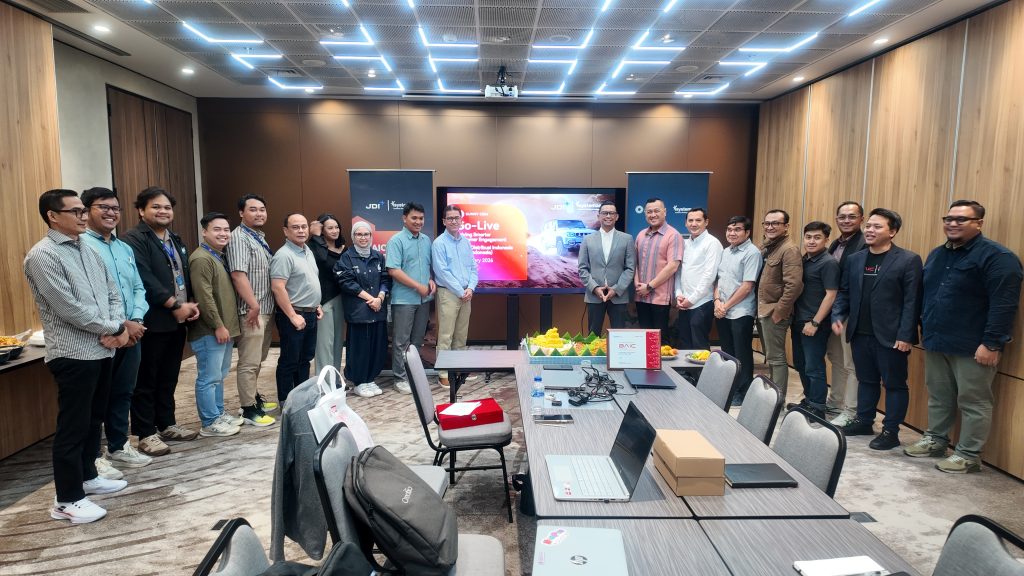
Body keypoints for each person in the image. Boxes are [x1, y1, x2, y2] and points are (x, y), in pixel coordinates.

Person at [25, 189, 129, 524]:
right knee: (72, 426)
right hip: (72, 354)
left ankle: (88, 477)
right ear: (53, 216)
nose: (83, 216)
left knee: (94, 419)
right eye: (76, 211)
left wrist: (116, 326)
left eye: (83, 210)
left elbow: (112, 292)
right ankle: (67, 499)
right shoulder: (42, 255)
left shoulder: (88, 247)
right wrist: (115, 327)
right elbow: (69, 308)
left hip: (102, 349)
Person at [906, 200, 1023, 473]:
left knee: (974, 401)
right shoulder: (937, 254)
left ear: (978, 223)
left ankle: (969, 455)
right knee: (939, 396)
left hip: (973, 345)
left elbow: (1004, 305)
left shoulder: (998, 257)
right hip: (936, 340)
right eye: (948, 219)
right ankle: (936, 440)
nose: (952, 224)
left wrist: (992, 343)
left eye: (961, 219)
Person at [831, 208, 921, 451]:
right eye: (869, 226)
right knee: (866, 380)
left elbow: (912, 301)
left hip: (892, 337)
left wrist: (906, 335)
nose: (870, 230)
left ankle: (891, 431)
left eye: (877, 226)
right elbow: (845, 292)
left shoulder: (908, 260)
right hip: (860, 333)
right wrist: (838, 315)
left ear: (892, 232)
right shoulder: (855, 259)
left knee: (894, 384)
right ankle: (864, 421)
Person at [123, 187, 200, 457]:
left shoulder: (173, 238)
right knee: (147, 378)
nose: (163, 211)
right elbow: (144, 278)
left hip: (177, 321)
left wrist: (190, 304)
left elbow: (182, 275)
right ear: (141, 210)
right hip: (152, 321)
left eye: (167, 207)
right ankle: (146, 433)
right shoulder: (134, 239)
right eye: (156, 207)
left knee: (169, 376)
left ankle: (166, 424)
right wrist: (175, 305)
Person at [80, 188, 152, 477]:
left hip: (131, 333)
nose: (111, 213)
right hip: (101, 336)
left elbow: (138, 287)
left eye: (115, 208)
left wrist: (135, 319)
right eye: (103, 207)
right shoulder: (81, 246)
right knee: (96, 399)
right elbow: (88, 296)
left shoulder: (124, 248)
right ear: (86, 211)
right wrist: (120, 326)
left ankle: (118, 446)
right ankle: (93, 457)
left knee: (123, 392)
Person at [188, 213, 244, 437]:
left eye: (226, 229)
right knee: (208, 378)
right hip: (210, 331)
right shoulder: (201, 258)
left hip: (223, 329)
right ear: (204, 232)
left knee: (218, 375)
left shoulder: (218, 256)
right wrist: (218, 325)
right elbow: (204, 297)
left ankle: (218, 413)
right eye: (217, 229)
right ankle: (209, 422)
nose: (223, 234)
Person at [227, 194, 277, 427]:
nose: (259, 213)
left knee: (258, 359)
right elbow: (238, 275)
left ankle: (253, 398)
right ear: (241, 213)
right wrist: (253, 305)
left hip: (265, 308)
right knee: (249, 362)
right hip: (251, 311)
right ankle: (248, 410)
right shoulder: (239, 238)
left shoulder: (257, 237)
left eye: (262, 209)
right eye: (253, 209)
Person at [789, 221, 840, 419]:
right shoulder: (804, 259)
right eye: (808, 237)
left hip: (814, 324)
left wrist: (815, 322)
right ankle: (809, 400)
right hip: (798, 321)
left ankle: (818, 407)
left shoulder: (828, 263)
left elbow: (831, 295)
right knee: (800, 364)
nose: (811, 241)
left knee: (814, 366)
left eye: (817, 237)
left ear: (826, 239)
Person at [271, 213, 323, 403]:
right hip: (293, 315)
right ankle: (286, 403)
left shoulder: (306, 250)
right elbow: (278, 287)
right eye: (295, 227)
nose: (301, 230)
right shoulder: (284, 255)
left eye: (304, 226)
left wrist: (316, 304)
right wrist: (293, 316)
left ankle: (301, 400)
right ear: (286, 231)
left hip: (310, 313)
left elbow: (307, 280)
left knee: (305, 359)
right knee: (290, 361)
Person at [336, 221, 392, 397]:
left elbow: (385, 279)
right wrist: (371, 299)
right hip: (359, 312)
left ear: (371, 236)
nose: (363, 238)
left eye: (366, 234)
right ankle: (359, 381)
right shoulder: (347, 257)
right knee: (360, 349)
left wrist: (380, 298)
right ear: (353, 237)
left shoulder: (378, 256)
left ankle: (370, 379)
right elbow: (347, 282)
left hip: (377, 310)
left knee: (377, 347)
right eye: (359, 234)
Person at [386, 202, 435, 394]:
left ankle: (413, 374)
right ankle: (400, 378)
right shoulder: (396, 241)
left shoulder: (426, 240)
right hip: (404, 300)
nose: (418, 221)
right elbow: (394, 270)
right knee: (401, 341)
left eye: (421, 218)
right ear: (404, 218)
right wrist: (417, 286)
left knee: (417, 341)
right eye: (414, 218)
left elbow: (425, 268)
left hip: (423, 300)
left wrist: (430, 281)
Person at [714, 216, 762, 406]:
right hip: (722, 310)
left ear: (747, 232)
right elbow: (718, 280)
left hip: (741, 311)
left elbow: (747, 286)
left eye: (737, 229)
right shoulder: (726, 251)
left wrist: (725, 306)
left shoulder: (752, 253)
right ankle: (730, 387)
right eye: (729, 229)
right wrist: (717, 301)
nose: (732, 233)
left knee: (742, 353)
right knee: (728, 352)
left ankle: (743, 391)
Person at [826, 201, 866, 426]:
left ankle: (851, 411)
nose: (846, 220)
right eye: (842, 217)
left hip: (850, 312)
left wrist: (840, 313)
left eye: (852, 216)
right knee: (837, 359)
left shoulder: (863, 244)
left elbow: (851, 285)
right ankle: (835, 402)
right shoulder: (836, 243)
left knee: (851, 364)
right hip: (834, 313)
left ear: (861, 219)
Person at [757, 209, 803, 397]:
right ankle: (771, 395)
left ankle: (777, 400)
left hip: (774, 311)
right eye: (767, 223)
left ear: (786, 226)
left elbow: (794, 285)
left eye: (775, 223)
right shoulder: (768, 247)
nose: (770, 227)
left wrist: (779, 312)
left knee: (776, 358)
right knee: (771, 357)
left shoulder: (789, 249)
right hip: (764, 309)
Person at [432, 205, 478, 388]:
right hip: (448, 294)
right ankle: (443, 373)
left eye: (456, 218)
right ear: (444, 221)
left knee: (461, 334)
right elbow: (442, 272)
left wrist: (471, 288)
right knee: (446, 335)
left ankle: (459, 367)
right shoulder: (439, 243)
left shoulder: (466, 242)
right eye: (449, 218)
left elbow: (473, 268)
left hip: (466, 294)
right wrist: (461, 291)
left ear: (461, 220)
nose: (453, 221)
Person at [578, 201, 635, 336]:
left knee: (619, 336)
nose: (608, 216)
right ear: (598, 216)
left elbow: (630, 268)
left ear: (617, 216)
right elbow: (582, 268)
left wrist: (616, 289)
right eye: (605, 213)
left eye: (611, 213)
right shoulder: (587, 239)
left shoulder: (627, 239)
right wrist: (595, 288)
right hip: (594, 296)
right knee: (593, 336)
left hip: (618, 296)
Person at [634, 198, 684, 341]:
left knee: (659, 341)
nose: (653, 215)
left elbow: (673, 266)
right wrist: (637, 285)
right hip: (641, 296)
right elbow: (635, 263)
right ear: (645, 214)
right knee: (644, 339)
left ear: (665, 212)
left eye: (656, 211)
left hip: (660, 299)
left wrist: (649, 286)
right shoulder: (641, 235)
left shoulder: (673, 235)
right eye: (649, 212)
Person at [675, 207, 723, 349]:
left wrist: (692, 300)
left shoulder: (712, 243)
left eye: (698, 220)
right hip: (684, 302)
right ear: (685, 223)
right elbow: (679, 271)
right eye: (690, 220)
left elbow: (710, 275)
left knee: (699, 346)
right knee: (685, 344)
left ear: (706, 222)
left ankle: (703, 367)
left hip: (702, 302)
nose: (694, 224)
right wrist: (678, 294)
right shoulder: (685, 243)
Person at [310, 213, 347, 374]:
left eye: (336, 227)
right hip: (323, 300)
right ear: (321, 230)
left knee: (338, 342)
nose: (334, 230)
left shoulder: (344, 248)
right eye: (330, 228)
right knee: (325, 343)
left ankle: (335, 378)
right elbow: (323, 259)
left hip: (341, 298)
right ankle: (324, 380)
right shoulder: (313, 247)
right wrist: (316, 237)